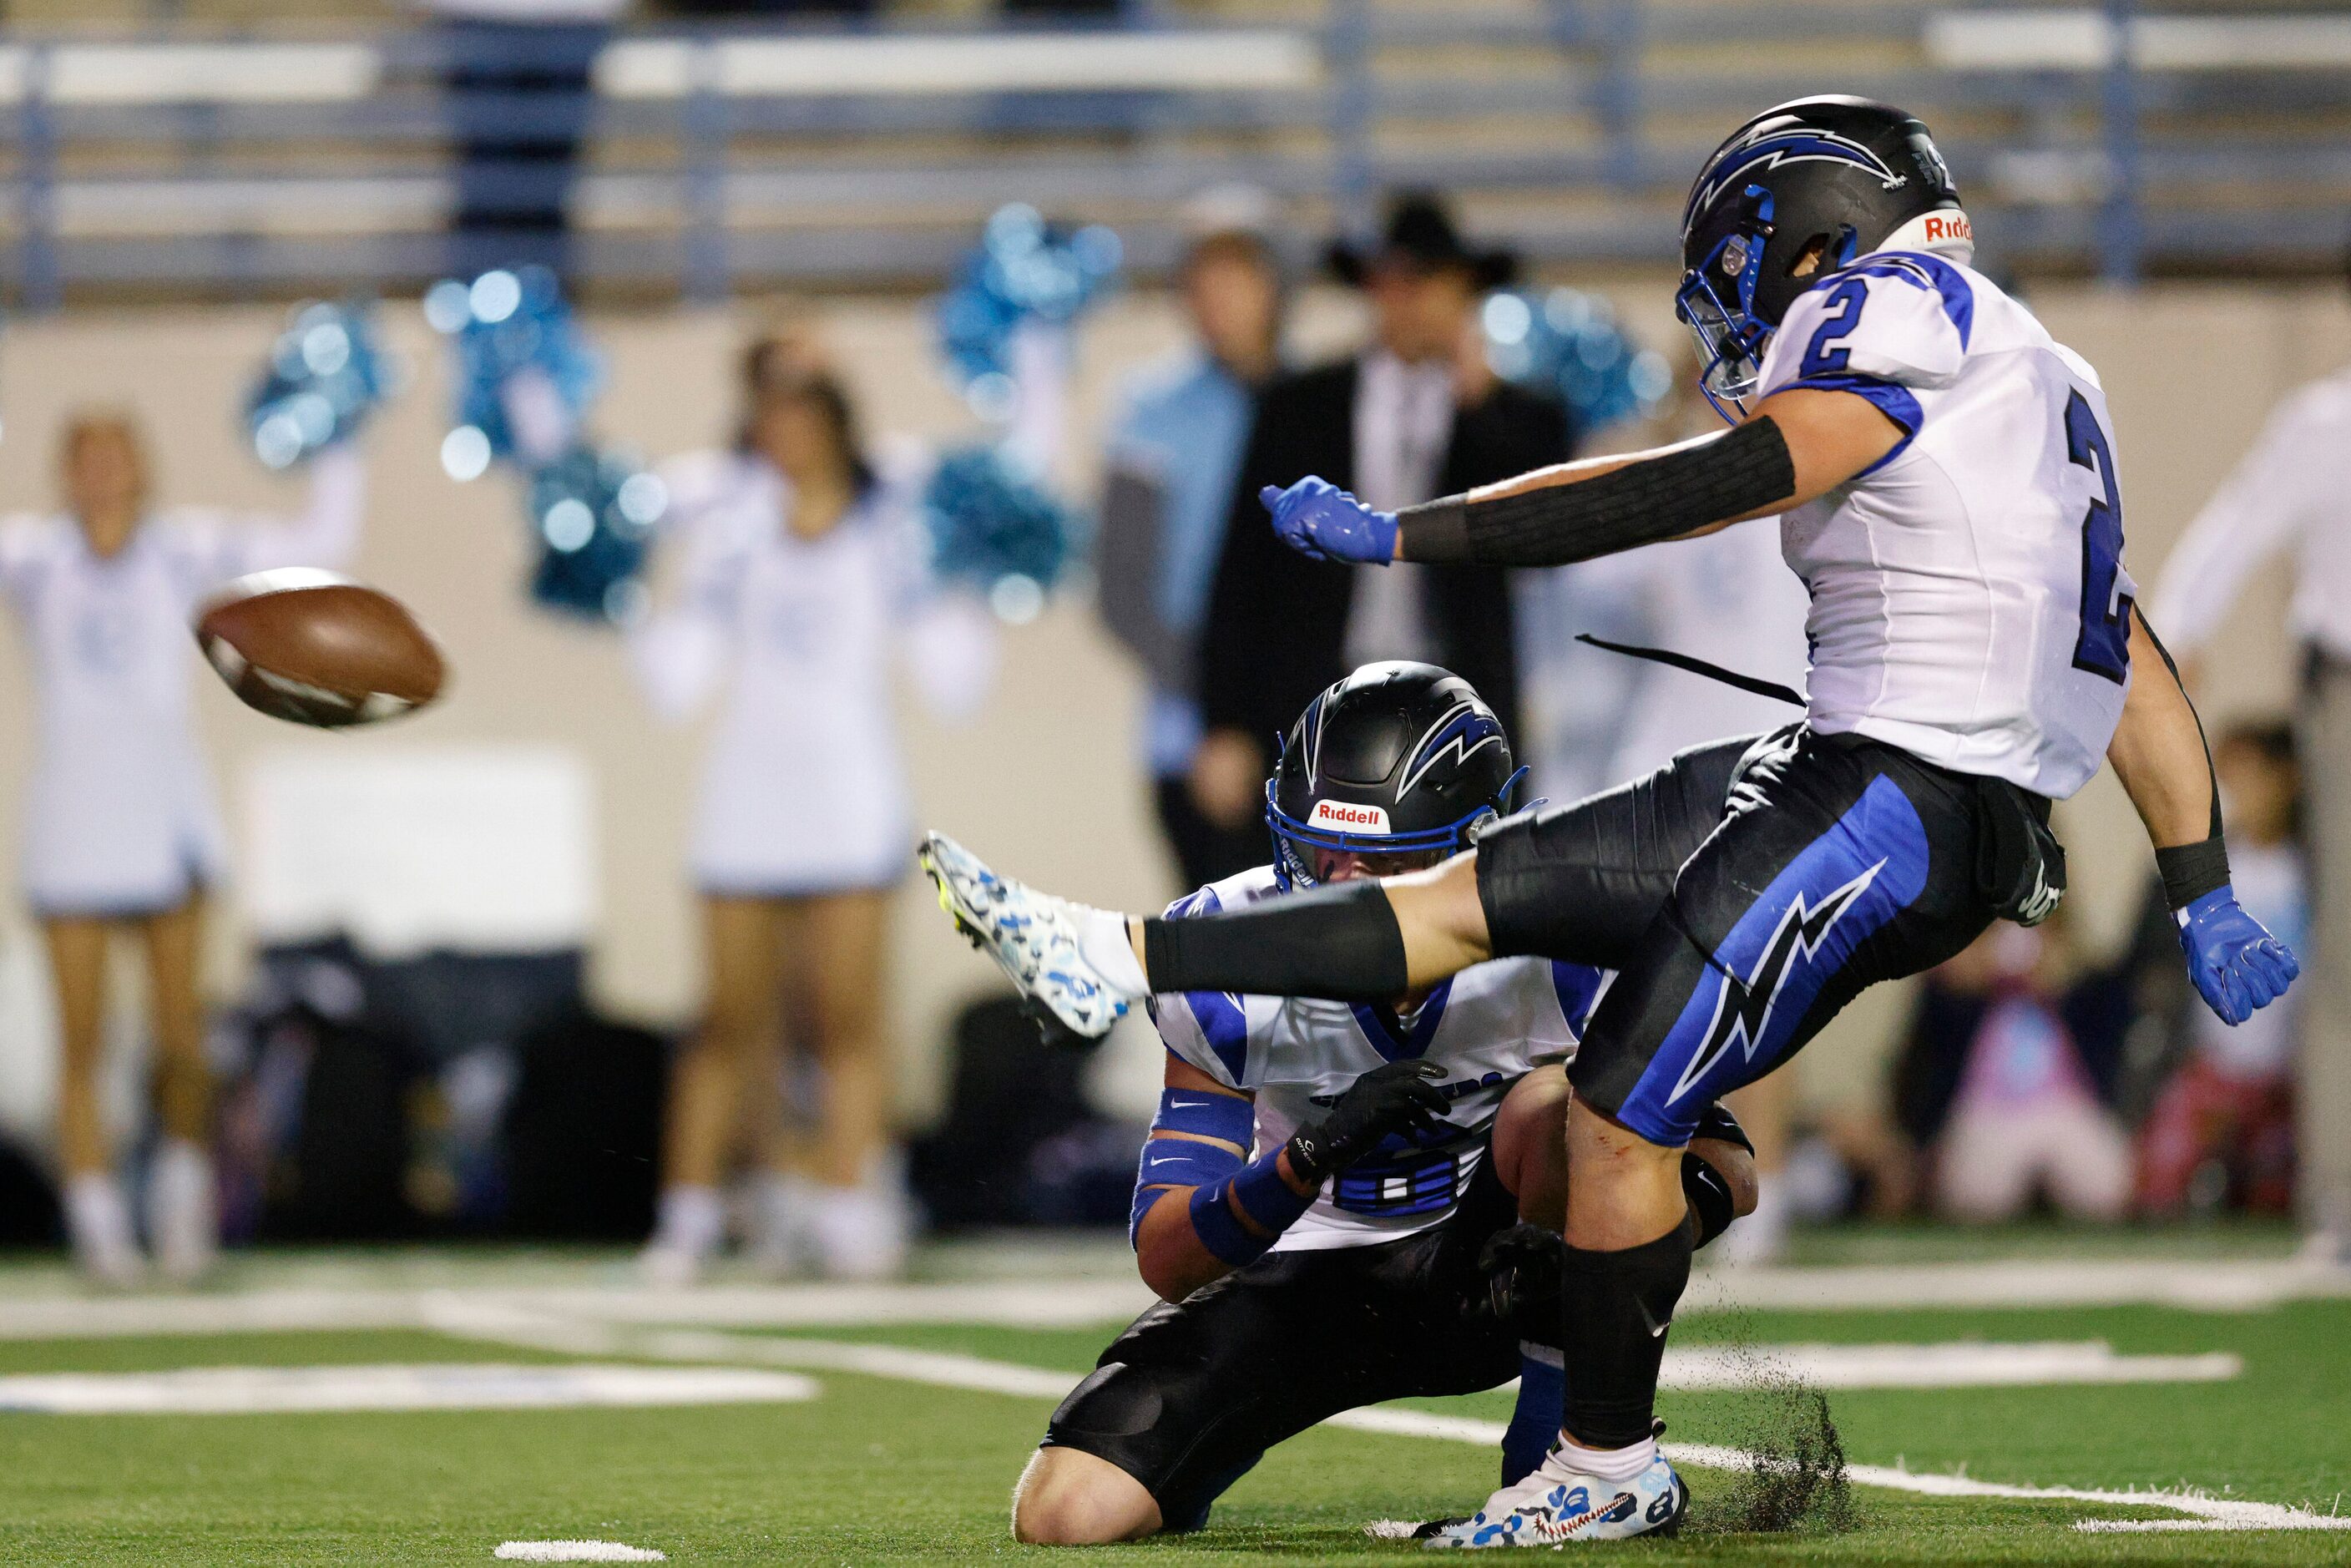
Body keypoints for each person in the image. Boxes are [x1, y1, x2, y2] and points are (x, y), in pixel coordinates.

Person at [922, 96, 2298, 1545]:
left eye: (1741, 269)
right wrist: (2198, 878)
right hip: (1844, 757)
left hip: (1896, 788)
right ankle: (1116, 949)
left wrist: (1418, 529)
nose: (1730, 315)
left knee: (1609, 1102)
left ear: (1814, 236)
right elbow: (2121, 644)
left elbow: (1705, 485)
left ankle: (1599, 1456)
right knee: (1467, 897)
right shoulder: (2030, 363)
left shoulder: (1892, 318)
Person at [1009, 662, 1757, 1545]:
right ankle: (1198, 1458)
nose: (1344, 890)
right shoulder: (1222, 955)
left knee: (1547, 1110)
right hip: (1304, 1279)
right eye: (1322, 856)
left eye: (1387, 864)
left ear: (1477, 845)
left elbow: (1725, 1168)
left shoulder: (1564, 949)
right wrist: (1301, 1163)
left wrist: (1573, 1264)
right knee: (1065, 1514)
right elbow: (1167, 1255)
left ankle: (1561, 1451)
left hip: (1488, 1277)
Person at [633, 346, 994, 1286]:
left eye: (802, 415)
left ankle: (844, 1204)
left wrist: (985, 576)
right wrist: (624, 592)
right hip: (745, 798)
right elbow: (676, 684)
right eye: (770, 418)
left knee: (846, 1021)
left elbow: (951, 681)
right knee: (723, 1023)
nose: (784, 435)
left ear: (836, 423)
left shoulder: (890, 529)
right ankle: (690, 1215)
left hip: (847, 798)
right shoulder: (728, 530)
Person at [0, 412, 368, 1286]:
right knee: (81, 1040)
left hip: (165, 819)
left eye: (116, 456)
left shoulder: (184, 552)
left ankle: (179, 1196)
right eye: (84, 457)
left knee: (178, 1040)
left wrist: (338, 429)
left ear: (140, 468)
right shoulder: (35, 560)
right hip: (74, 825)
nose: (101, 474)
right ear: (65, 472)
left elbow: (319, 540)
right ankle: (96, 1221)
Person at [1185, 193, 1570, 860]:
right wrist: (1222, 722)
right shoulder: (1302, 404)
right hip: (1313, 699)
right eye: (1396, 281)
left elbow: (1546, 534)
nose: (1412, 301)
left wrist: (1479, 401)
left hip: (1455, 704)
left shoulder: (1517, 413)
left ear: (1466, 293)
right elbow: (1241, 569)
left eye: (1431, 282)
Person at [2148, 362, 2351, 1257]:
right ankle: (2342, 1197)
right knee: (2344, 952)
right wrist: (2176, 627)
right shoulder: (2327, 418)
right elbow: (2238, 521)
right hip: (2345, 696)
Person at [1095, 186, 1287, 889]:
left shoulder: (1315, 402)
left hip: (1311, 744)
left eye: (1237, 278)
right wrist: (1219, 719)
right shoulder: (1150, 411)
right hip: (1193, 743)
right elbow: (1122, 591)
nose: (1218, 299)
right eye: (1201, 282)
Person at [2136, 721, 2307, 1216]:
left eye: (2248, 778)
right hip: (2213, 1068)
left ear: (2285, 780)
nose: (2233, 793)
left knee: (2276, 1198)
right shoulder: (2206, 873)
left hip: (2287, 1077)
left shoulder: (2307, 868)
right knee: (2160, 1180)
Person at [1897, 915, 2134, 1223]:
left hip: (2064, 1106)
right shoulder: (1957, 978)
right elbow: (1925, 1064)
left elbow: (2111, 1042)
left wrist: (2061, 983)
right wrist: (1969, 978)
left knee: (2105, 1189)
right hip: (1987, 1110)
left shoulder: (2085, 979)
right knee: (1974, 1198)